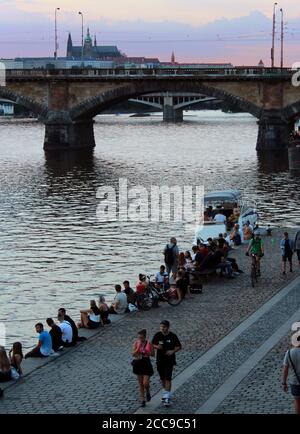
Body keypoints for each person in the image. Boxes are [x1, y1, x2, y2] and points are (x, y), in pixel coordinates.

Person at [152, 320, 182, 406]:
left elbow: (179, 346)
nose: (162, 328)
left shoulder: (172, 336)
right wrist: (157, 346)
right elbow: (152, 344)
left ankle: (166, 397)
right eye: (161, 326)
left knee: (168, 377)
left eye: (164, 327)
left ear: (168, 327)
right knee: (162, 378)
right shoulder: (158, 335)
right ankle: (165, 392)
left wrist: (172, 351)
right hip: (160, 359)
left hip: (170, 360)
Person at [132, 329, 154, 407]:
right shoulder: (136, 343)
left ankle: (147, 391)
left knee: (146, 383)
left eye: (141, 338)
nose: (140, 339)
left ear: (145, 337)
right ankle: (142, 399)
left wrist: (146, 352)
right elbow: (133, 354)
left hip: (146, 362)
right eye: (139, 337)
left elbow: (153, 354)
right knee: (140, 383)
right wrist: (138, 349)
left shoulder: (149, 343)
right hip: (138, 363)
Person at [282, 337, 300, 414]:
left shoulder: (289, 353)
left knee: (297, 401)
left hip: (295, 382)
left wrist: (284, 382)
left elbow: (285, 369)